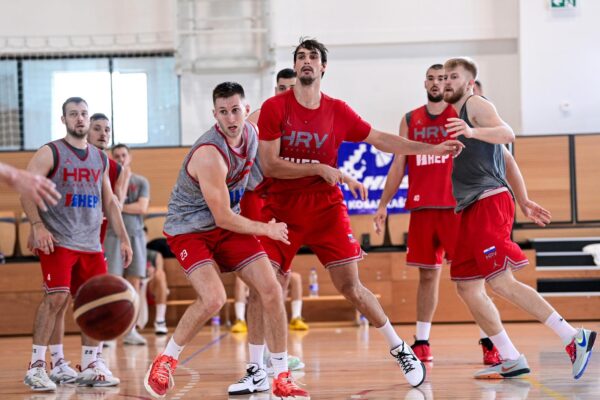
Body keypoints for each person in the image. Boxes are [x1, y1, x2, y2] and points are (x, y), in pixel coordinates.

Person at [243, 37, 464, 390]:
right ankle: (256, 369)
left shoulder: (337, 110)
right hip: (281, 211)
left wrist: (431, 146)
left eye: (312, 57)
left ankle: (401, 348)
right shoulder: (274, 108)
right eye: (300, 56)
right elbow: (269, 166)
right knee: (263, 287)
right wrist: (318, 167)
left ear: (323, 67)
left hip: (325, 210)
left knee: (352, 287)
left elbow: (380, 139)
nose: (306, 61)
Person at [143, 82, 309, 399]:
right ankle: (166, 360)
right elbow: (222, 217)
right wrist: (266, 229)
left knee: (272, 288)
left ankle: (281, 376)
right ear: (214, 114)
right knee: (214, 298)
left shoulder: (252, 131)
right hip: (190, 229)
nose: (230, 118)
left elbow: (281, 107)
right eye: (223, 112)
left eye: (235, 110)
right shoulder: (209, 154)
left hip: (225, 226)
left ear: (246, 110)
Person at [442, 57, 596, 379]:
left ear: (469, 83)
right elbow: (508, 160)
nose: (447, 82)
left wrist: (472, 129)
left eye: (454, 76)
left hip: (488, 202)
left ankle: (573, 337)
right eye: (445, 77)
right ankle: (510, 357)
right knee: (467, 288)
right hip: (472, 207)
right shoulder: (458, 117)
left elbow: (508, 134)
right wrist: (524, 199)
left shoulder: (475, 104)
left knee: (500, 281)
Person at [374, 64, 501, 365]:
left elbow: (489, 152)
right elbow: (397, 165)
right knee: (427, 277)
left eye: (442, 78)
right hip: (422, 208)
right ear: (424, 83)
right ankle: (422, 342)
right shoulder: (410, 119)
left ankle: (490, 341)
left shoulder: (461, 113)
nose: (436, 83)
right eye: (431, 78)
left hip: (457, 207)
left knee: (472, 280)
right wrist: (383, 204)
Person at [21, 97, 132, 391]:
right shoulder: (51, 151)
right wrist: (37, 225)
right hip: (59, 239)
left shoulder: (99, 158)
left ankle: (91, 362)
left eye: (83, 114)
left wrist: (123, 237)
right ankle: (37, 366)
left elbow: (109, 200)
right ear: (64, 120)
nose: (80, 119)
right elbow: (26, 188)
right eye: (74, 115)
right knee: (56, 299)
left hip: (91, 244)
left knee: (95, 303)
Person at [232, 68, 308, 335]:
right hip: (259, 202)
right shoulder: (256, 119)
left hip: (287, 204)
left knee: (283, 276)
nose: (285, 92)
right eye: (280, 87)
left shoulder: (305, 123)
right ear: (274, 90)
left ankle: (276, 345)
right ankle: (260, 351)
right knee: (262, 278)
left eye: (291, 87)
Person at [105, 143, 150, 345]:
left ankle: (131, 330)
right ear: (111, 158)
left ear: (129, 157)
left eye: (124, 155)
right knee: (113, 284)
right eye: (117, 156)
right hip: (113, 236)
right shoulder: (107, 181)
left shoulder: (141, 181)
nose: (121, 158)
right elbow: (108, 208)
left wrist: (120, 206)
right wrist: (117, 203)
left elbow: (142, 207)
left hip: (136, 236)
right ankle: (110, 331)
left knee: (134, 283)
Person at [144, 225, 169, 335]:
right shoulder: (124, 252)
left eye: (144, 235)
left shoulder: (154, 254)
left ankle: (160, 321)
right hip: (133, 287)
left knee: (160, 275)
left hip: (150, 286)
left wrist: (152, 274)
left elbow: (159, 270)